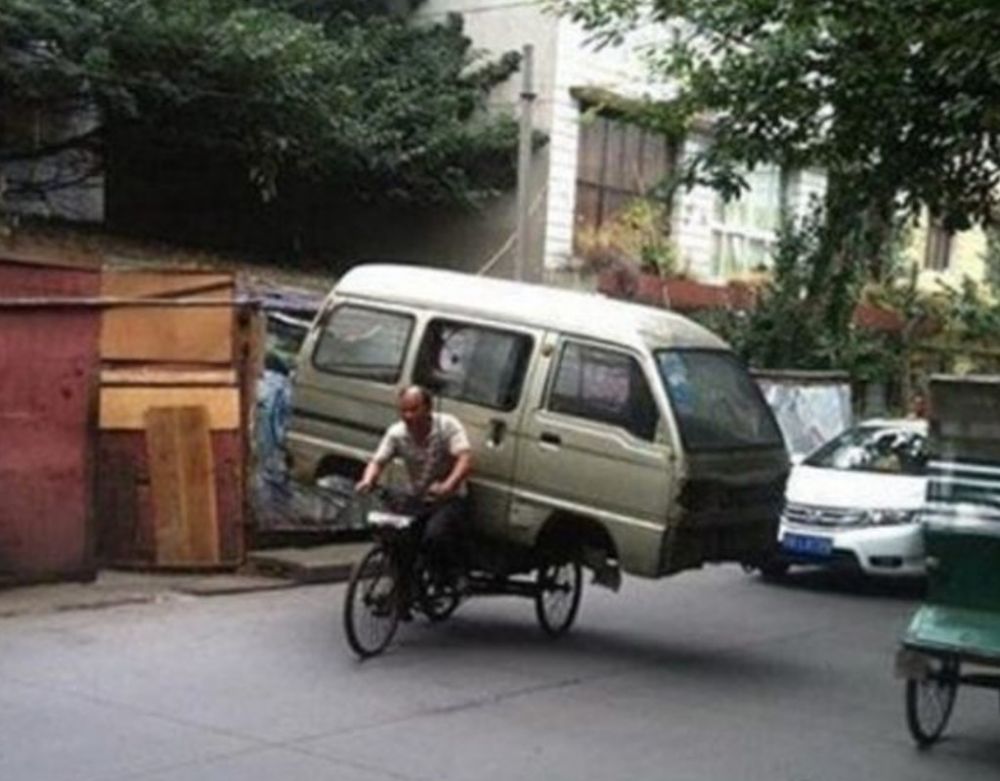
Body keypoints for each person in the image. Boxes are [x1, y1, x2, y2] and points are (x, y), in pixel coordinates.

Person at [355, 385, 473, 588]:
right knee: (396, 539)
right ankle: (403, 589)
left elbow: (465, 458)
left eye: (413, 410)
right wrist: (368, 480)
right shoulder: (396, 433)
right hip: (418, 497)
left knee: (434, 536)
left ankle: (447, 574)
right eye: (403, 410)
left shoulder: (447, 426)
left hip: (449, 498)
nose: (408, 416)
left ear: (428, 409)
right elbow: (378, 461)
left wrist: (448, 485)